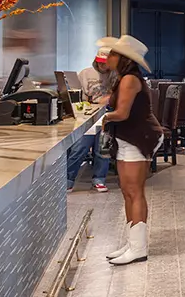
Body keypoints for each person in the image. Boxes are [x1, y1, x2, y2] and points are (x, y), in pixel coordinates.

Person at [99, 35, 163, 266]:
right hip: (129, 137)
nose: (109, 57)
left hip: (139, 137)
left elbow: (122, 113)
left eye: (113, 54)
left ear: (124, 58)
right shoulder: (124, 79)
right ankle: (132, 242)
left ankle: (138, 248)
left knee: (134, 191)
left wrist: (103, 117)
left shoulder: (129, 80)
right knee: (127, 190)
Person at [66, 46, 113, 192]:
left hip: (108, 115)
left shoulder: (115, 76)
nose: (102, 65)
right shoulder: (85, 73)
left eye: (105, 62)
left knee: (102, 148)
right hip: (88, 114)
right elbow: (78, 94)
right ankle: (68, 179)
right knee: (80, 147)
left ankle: (99, 179)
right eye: (99, 62)